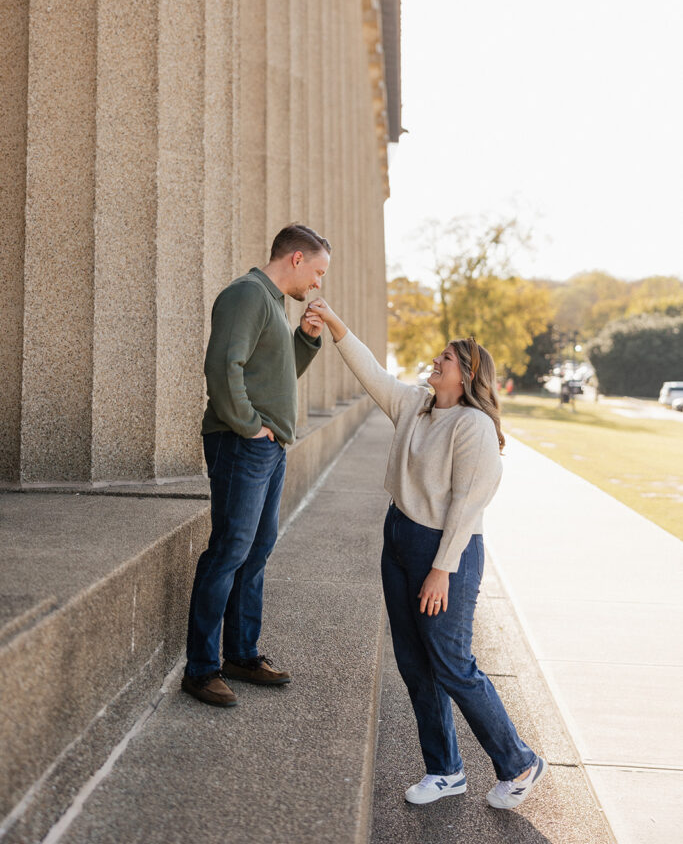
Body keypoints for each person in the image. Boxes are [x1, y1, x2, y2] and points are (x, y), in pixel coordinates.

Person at [305, 298, 547, 811]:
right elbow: (371, 371)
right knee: (415, 663)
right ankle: (445, 770)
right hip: (399, 538)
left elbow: (468, 504)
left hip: (446, 550)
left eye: (448, 360)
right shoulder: (415, 405)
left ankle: (519, 762)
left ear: (468, 375)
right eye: (439, 357)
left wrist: (441, 570)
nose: (437, 362)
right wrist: (334, 324)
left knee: (453, 663)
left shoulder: (473, 427)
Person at [182, 224, 330, 707]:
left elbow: (272, 374)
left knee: (256, 551)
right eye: (317, 271)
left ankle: (241, 654)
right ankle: (201, 670)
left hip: (268, 449)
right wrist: (249, 425)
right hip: (241, 444)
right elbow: (224, 366)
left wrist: (304, 340)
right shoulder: (247, 295)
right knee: (229, 550)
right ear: (295, 259)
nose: (317, 284)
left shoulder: (273, 305)